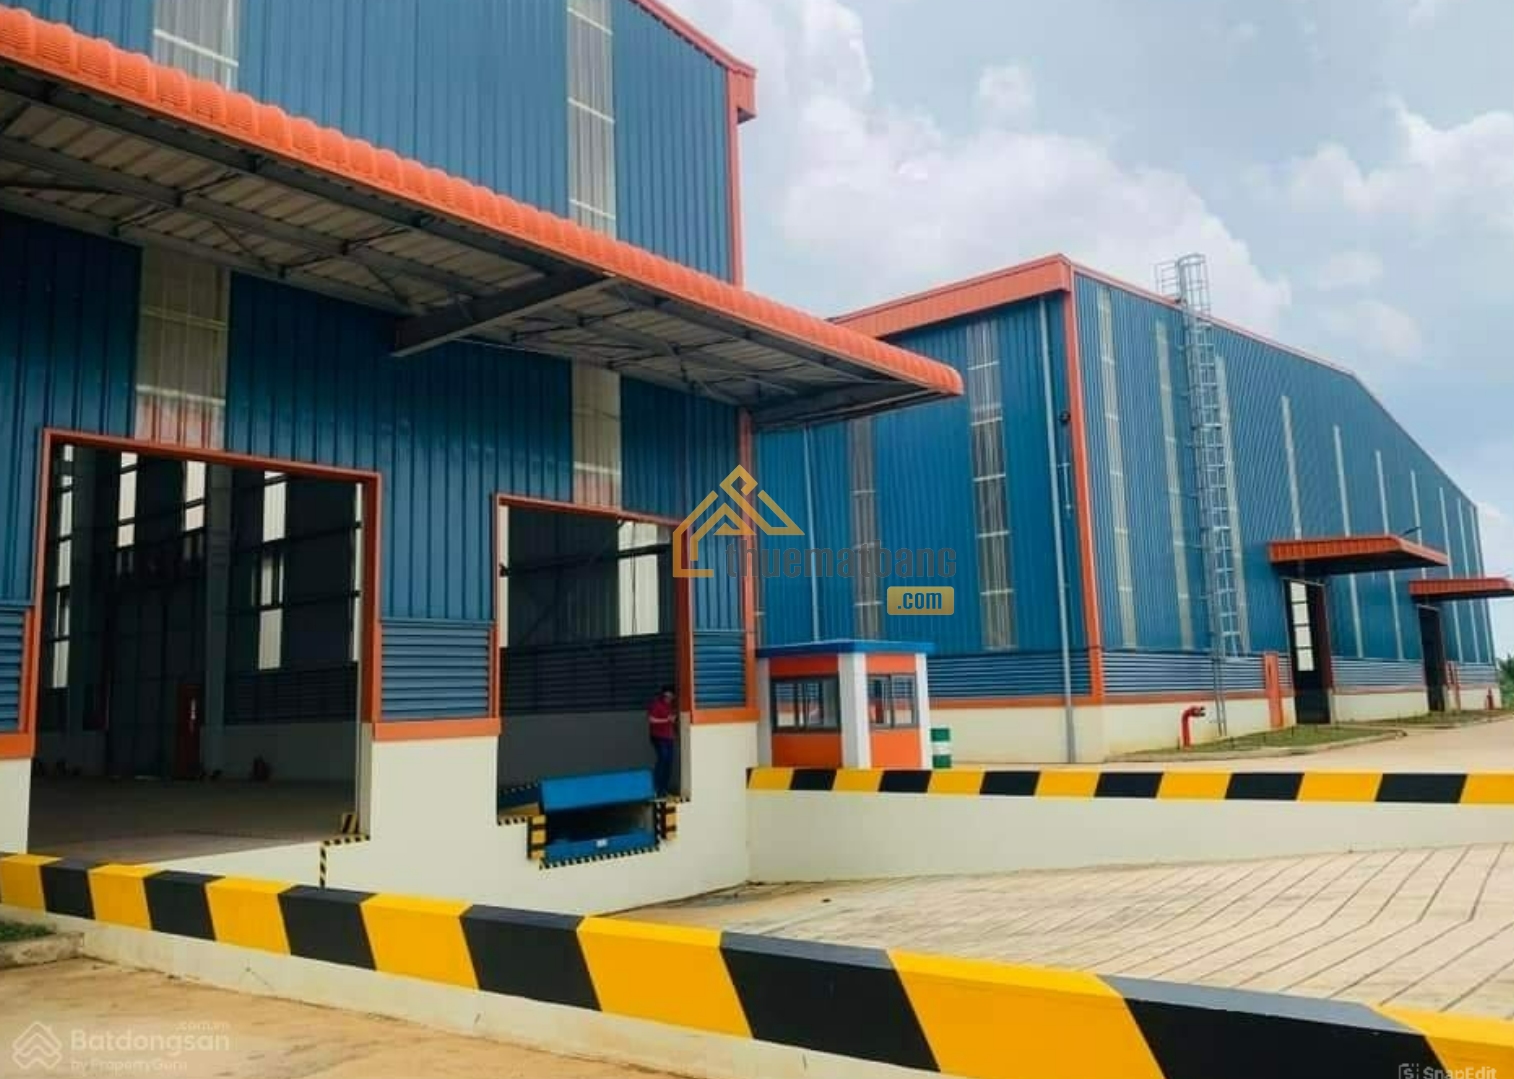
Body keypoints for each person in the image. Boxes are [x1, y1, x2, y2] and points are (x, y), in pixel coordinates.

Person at [647, 685, 678, 796]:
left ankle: (663, 789)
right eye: (667, 696)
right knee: (663, 758)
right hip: (658, 737)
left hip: (669, 737)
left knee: (669, 763)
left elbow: (672, 722)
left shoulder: (671, 706)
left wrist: (674, 728)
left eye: (671, 696)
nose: (669, 698)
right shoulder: (656, 704)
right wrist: (666, 720)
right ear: (664, 695)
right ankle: (655, 787)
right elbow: (651, 720)